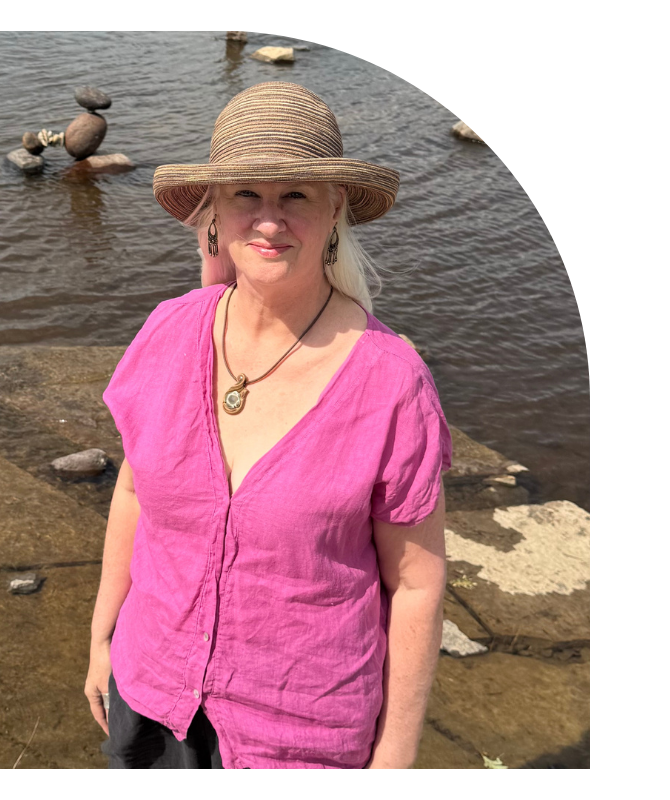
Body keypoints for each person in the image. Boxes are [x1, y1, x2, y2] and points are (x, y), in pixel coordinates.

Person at [85, 81, 452, 769]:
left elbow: (416, 585)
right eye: (247, 194)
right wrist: (103, 636)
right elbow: (134, 492)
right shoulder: (168, 332)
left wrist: (395, 752)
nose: (269, 220)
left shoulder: (391, 381)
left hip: (300, 733)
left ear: (335, 208)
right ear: (215, 210)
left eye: (296, 195)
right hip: (150, 692)